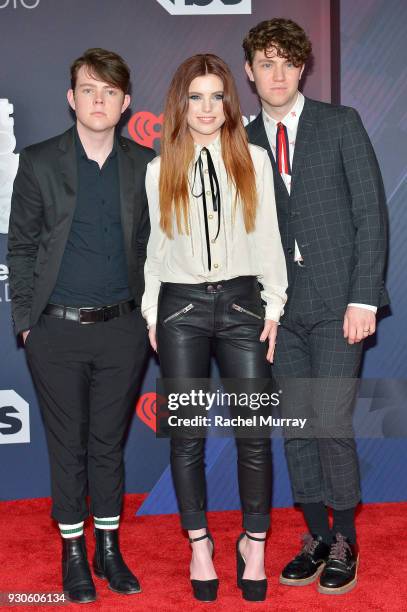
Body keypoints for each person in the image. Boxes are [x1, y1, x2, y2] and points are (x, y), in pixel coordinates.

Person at [244, 18, 388, 595]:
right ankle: (316, 538)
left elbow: (371, 215)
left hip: (338, 303)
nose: (277, 74)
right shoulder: (241, 140)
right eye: (265, 63)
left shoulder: (340, 123)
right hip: (277, 310)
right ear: (250, 72)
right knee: (297, 426)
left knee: (329, 421)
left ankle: (346, 537)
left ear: (302, 68)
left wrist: (363, 297)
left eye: (287, 62)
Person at [7, 48, 155, 603]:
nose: (99, 100)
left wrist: (150, 319)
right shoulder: (39, 161)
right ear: (72, 99)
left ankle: (108, 548)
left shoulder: (146, 164)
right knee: (67, 447)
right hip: (55, 332)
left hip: (123, 329)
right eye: (88, 89)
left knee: (107, 445)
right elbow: (19, 248)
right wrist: (26, 321)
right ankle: (73, 552)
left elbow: (155, 248)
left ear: (125, 103)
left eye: (109, 91)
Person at [141, 53, 287, 602]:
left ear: (230, 101)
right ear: (181, 103)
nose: (206, 108)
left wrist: (273, 305)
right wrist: (153, 313)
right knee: (187, 437)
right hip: (180, 309)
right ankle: (199, 544)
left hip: (244, 305)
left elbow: (269, 237)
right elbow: (155, 251)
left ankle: (254, 544)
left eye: (217, 96)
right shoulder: (161, 169)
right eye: (196, 97)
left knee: (254, 434)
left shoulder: (253, 159)